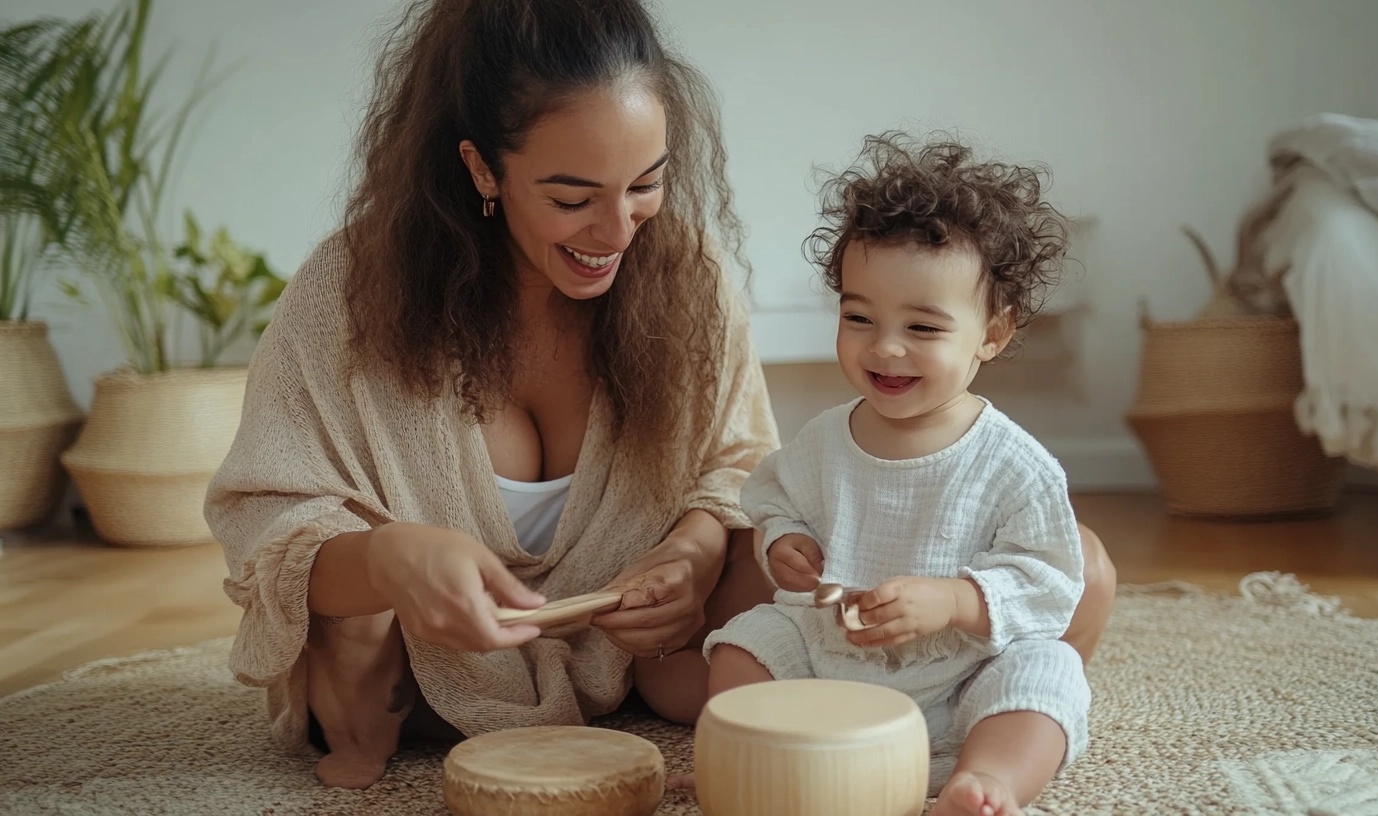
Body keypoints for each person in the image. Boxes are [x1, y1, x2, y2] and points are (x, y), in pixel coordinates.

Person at [204, 0, 1117, 794]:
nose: (617, 231)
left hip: (634, 642)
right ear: (483, 169)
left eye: (647, 184)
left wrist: (687, 554)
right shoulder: (352, 289)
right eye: (572, 199)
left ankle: (961, 711)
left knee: (1074, 568)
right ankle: (379, 703)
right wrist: (393, 559)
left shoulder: (680, 270)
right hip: (431, 653)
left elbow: (736, 464)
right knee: (353, 619)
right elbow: (268, 518)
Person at [684, 133, 1095, 816]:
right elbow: (772, 499)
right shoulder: (823, 440)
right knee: (747, 641)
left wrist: (958, 601)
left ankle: (985, 782)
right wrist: (784, 542)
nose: (886, 346)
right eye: (859, 317)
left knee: (1050, 671)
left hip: (965, 677)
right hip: (831, 670)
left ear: (992, 334)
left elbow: (1049, 582)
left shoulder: (1012, 463)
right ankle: (760, 755)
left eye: (924, 328)